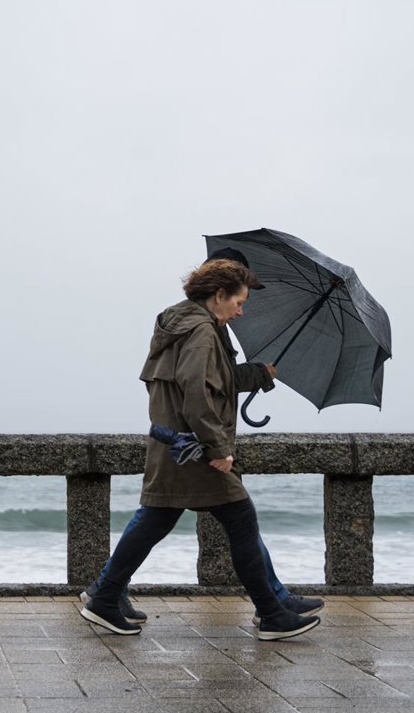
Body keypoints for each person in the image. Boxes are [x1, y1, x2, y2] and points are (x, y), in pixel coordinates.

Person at [80, 248, 324, 626]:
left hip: (173, 444)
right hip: (192, 449)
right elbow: (196, 394)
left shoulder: (183, 324)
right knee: (240, 518)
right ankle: (273, 612)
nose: (241, 311)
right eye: (239, 301)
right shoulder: (202, 331)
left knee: (156, 520)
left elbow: (213, 381)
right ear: (219, 294)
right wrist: (219, 447)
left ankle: (106, 595)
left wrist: (260, 374)